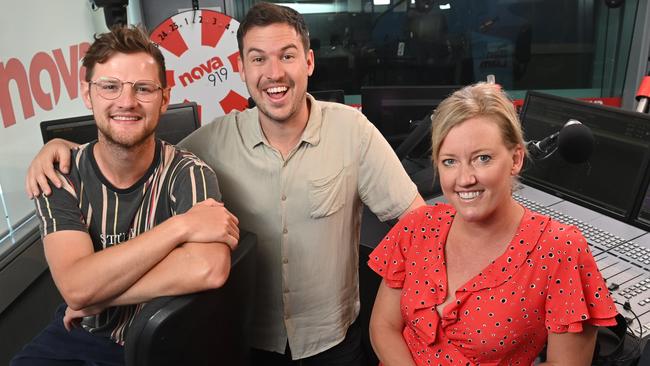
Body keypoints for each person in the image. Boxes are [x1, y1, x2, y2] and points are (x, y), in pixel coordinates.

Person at [24, 3, 425, 365]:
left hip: (333, 342)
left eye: (287, 56)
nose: (273, 73)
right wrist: (67, 149)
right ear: (242, 68)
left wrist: (393, 321)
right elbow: (137, 149)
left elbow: (417, 224)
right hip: (244, 342)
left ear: (309, 62)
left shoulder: (352, 130)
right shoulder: (209, 144)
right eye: (258, 59)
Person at [13, 25, 239, 366]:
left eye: (143, 89)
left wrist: (100, 297)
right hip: (78, 334)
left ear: (164, 99)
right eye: (110, 87)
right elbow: (75, 287)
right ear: (88, 95)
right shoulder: (58, 176)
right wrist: (181, 226)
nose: (127, 102)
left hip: (159, 340)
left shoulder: (189, 172)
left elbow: (209, 267)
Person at [367, 82, 618, 365]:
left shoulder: (559, 249)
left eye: (482, 158)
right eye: (450, 162)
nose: (464, 179)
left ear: (516, 159)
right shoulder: (418, 226)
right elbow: (383, 327)